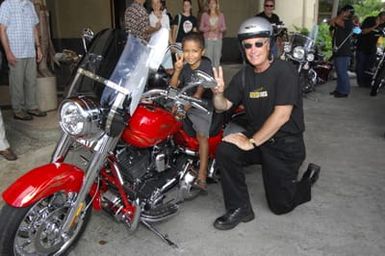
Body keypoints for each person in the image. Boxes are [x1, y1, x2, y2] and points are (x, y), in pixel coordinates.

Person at [211, 17, 320, 230]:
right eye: (248, 45)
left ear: (268, 44)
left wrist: (250, 142)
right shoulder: (243, 76)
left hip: (285, 145)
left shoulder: (285, 72)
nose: (253, 50)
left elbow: (282, 115)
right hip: (259, 139)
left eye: (258, 43)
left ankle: (306, 180)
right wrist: (218, 93)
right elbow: (222, 106)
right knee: (226, 150)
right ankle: (240, 208)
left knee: (281, 206)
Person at [169, 32, 213, 191]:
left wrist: (187, 105)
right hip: (185, 102)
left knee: (202, 135)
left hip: (202, 105)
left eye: (194, 51)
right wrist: (177, 70)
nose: (190, 55)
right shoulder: (185, 67)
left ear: (202, 51)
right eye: (186, 51)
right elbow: (173, 87)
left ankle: (202, 173)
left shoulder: (206, 64)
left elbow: (199, 90)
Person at [0, 0, 47, 121]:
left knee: (31, 81)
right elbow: (2, 30)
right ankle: (18, 110)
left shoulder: (29, 5)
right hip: (16, 52)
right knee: (17, 83)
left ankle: (32, 106)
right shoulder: (7, 5)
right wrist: (8, 52)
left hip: (30, 51)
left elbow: (34, 28)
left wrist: (38, 48)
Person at [329, 5, 355, 98]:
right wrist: (340, 14)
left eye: (346, 11)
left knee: (342, 72)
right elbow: (331, 22)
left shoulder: (349, 22)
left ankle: (344, 91)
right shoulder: (340, 20)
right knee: (339, 72)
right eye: (344, 11)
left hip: (344, 51)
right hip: (337, 50)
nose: (345, 13)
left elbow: (336, 21)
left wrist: (341, 14)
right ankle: (339, 89)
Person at [355, 12, 385, 88]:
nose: (383, 22)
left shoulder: (384, 24)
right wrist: (375, 26)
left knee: (370, 66)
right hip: (362, 46)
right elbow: (363, 31)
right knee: (360, 66)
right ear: (378, 17)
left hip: (373, 48)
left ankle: (368, 83)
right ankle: (361, 83)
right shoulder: (370, 20)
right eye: (382, 20)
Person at [199, 0, 226, 68]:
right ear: (208, 5)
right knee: (208, 59)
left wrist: (218, 29)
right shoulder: (205, 15)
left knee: (217, 59)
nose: (212, 5)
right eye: (210, 3)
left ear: (216, 4)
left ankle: (216, 76)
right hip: (208, 40)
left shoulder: (221, 15)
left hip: (218, 40)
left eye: (213, 3)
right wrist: (209, 28)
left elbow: (224, 27)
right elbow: (201, 28)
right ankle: (209, 76)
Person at [149, 0, 173, 74]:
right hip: (155, 48)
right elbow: (148, 33)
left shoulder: (166, 17)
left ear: (160, 4)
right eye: (153, 3)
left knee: (169, 70)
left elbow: (168, 31)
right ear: (151, 5)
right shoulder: (149, 17)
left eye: (157, 3)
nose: (156, 5)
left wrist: (172, 45)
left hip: (165, 47)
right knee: (155, 70)